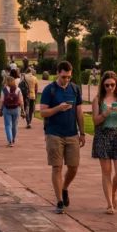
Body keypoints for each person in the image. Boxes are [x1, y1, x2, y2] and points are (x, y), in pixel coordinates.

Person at [39, 61, 84, 215]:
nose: (66, 80)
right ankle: (59, 200)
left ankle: (64, 188)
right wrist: (59, 108)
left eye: (69, 77)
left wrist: (82, 133)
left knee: (73, 167)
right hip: (54, 133)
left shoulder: (75, 89)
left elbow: (79, 113)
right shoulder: (49, 90)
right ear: (58, 73)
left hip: (71, 133)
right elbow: (43, 113)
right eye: (64, 76)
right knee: (57, 167)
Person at [91, 71, 117, 214]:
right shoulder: (98, 99)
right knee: (106, 172)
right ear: (102, 85)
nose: (110, 88)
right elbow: (95, 121)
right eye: (107, 85)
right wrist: (106, 113)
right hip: (103, 135)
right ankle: (109, 204)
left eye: (112, 85)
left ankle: (112, 192)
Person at [1, 76, 25, 147]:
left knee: (8, 125)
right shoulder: (18, 90)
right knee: (15, 125)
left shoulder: (4, 90)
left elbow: (1, 100)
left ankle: (10, 140)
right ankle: (13, 139)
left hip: (7, 109)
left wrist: (0, 109)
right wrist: (22, 110)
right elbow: (21, 101)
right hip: (16, 109)